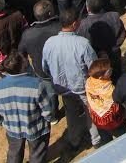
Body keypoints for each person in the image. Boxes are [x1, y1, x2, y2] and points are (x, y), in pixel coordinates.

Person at [41, 8, 98, 157]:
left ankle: (74, 140)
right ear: (74, 24)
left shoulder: (49, 43)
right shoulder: (82, 44)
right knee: (90, 113)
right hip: (83, 87)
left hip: (63, 89)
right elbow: (94, 67)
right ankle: (96, 139)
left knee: (71, 115)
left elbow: (44, 67)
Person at [0, 50, 55, 163]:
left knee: (14, 154)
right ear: (23, 66)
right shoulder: (37, 85)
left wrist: (4, 122)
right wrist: (48, 120)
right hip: (36, 128)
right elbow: (47, 111)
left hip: (12, 129)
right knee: (37, 154)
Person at [17, 0, 62, 115]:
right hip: (62, 69)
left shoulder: (27, 34)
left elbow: (21, 53)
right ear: (50, 14)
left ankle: (53, 115)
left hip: (42, 72)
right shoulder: (61, 27)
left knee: (50, 95)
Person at [77, 0, 126, 75]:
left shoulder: (83, 25)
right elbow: (122, 35)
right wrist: (114, 47)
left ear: (87, 8)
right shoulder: (114, 16)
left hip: (97, 61)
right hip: (109, 57)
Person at [84, 57, 126, 142]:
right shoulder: (109, 90)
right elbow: (117, 101)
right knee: (122, 136)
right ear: (100, 77)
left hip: (97, 117)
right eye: (109, 70)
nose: (111, 69)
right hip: (111, 119)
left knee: (105, 138)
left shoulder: (89, 81)